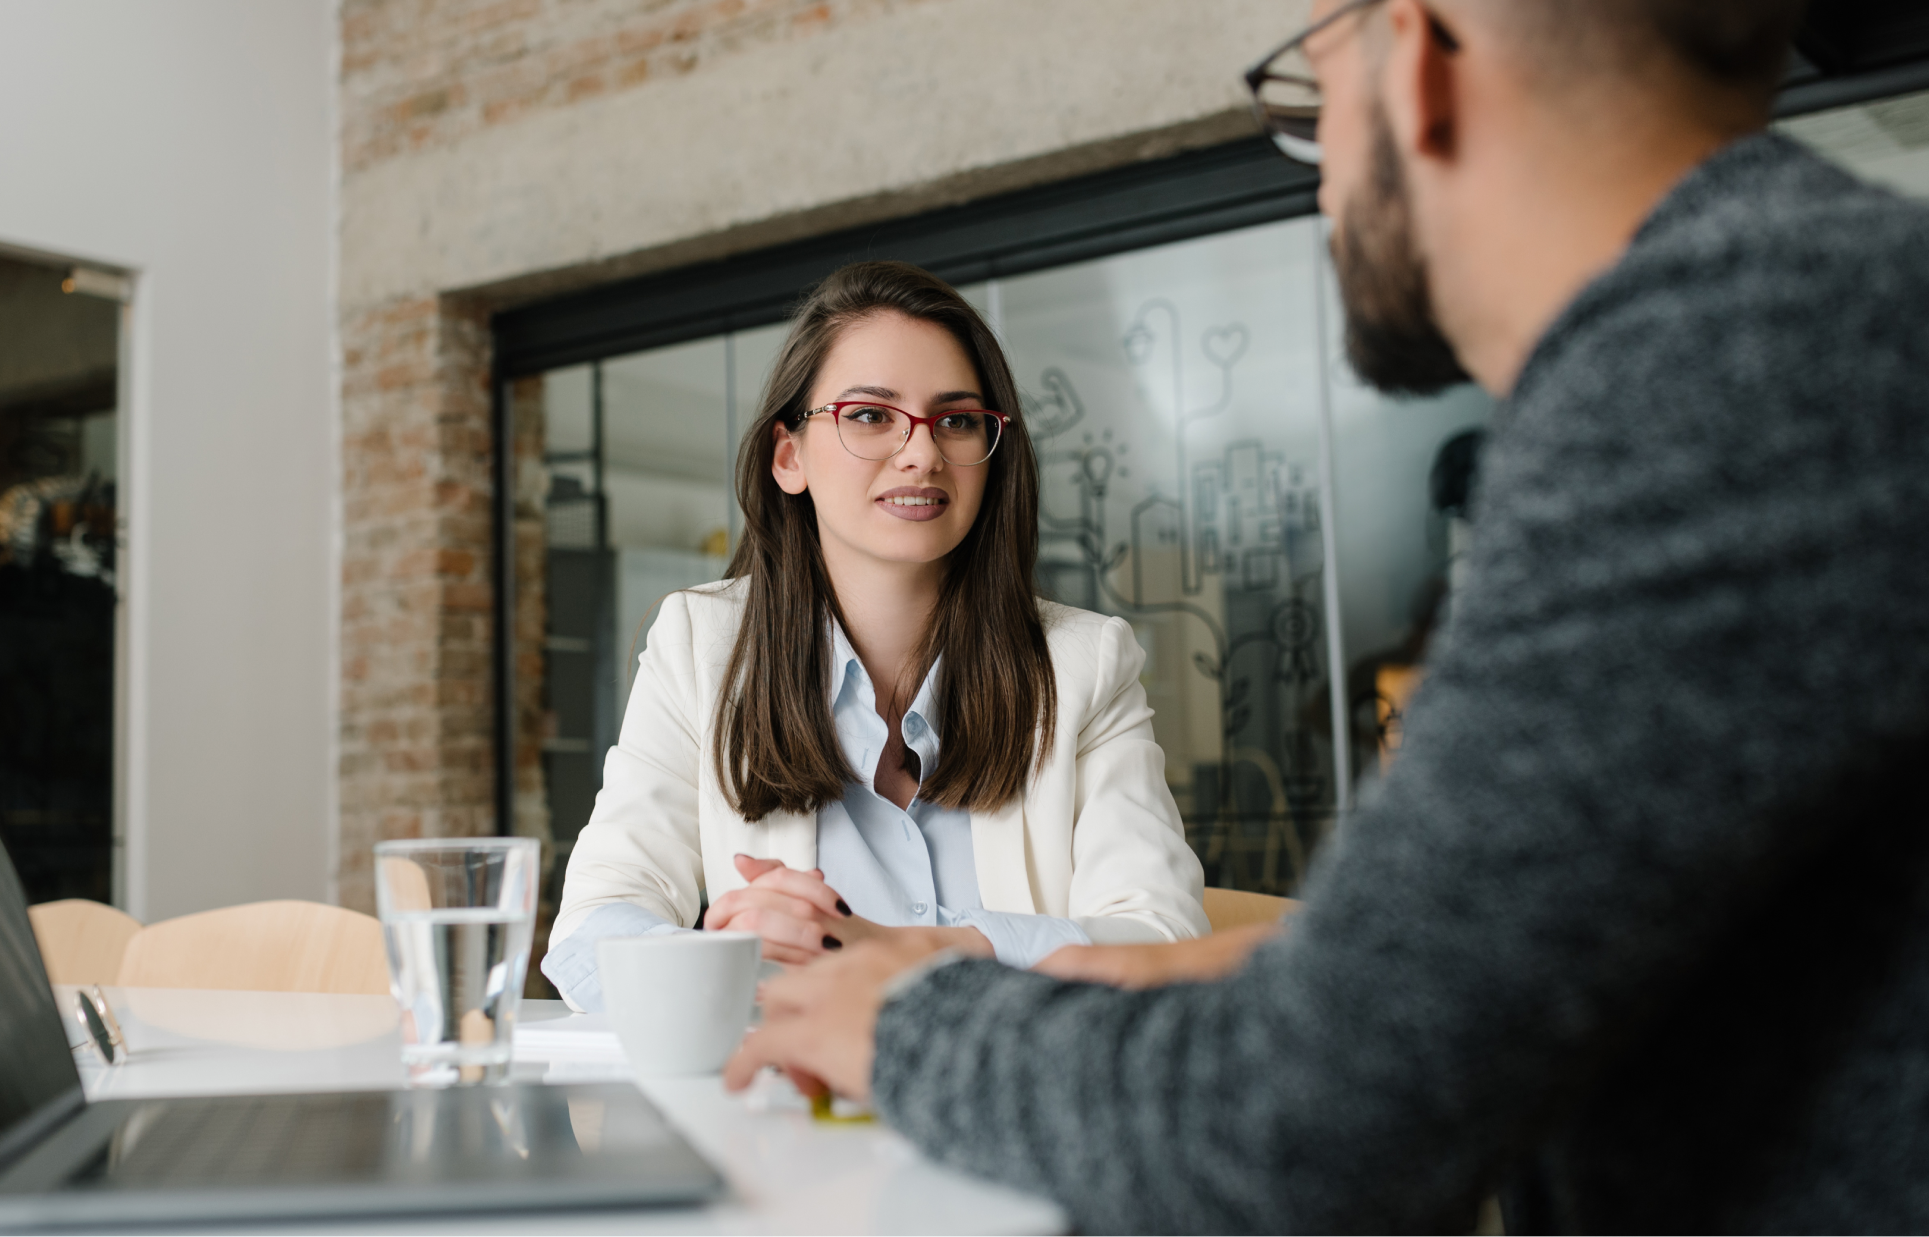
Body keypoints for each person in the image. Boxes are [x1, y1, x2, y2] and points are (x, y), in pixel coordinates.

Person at [726, 1, 1929, 1233]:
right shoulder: (1801, 316)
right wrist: (1246, 970)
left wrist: (906, 1015)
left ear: (1414, 60)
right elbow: (1573, 955)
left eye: (1311, 102)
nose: (1321, 192)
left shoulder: (1726, 364)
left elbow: (1295, 1127)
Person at [540, 261, 1210, 1012]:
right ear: (788, 456)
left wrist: (915, 952)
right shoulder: (703, 645)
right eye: (869, 415)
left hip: (1011, 1109)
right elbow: (593, 926)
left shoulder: (1084, 664)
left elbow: (1165, 941)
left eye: (956, 419)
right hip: (787, 1111)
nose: (922, 452)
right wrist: (726, 959)